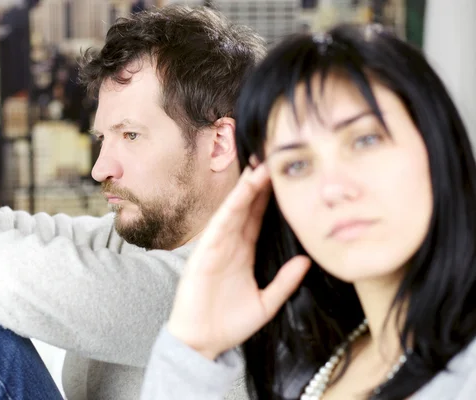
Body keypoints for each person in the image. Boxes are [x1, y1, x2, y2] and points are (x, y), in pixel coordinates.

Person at [0, 5, 265, 400]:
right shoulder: (153, 237)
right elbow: (1, 228)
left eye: (130, 135)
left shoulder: (245, 279)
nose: (100, 169)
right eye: (103, 139)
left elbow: (21, 276)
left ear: (218, 144)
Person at [141, 23, 476, 400]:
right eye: (296, 165)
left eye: (365, 140)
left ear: (437, 144)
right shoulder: (316, 362)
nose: (332, 189)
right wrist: (193, 348)